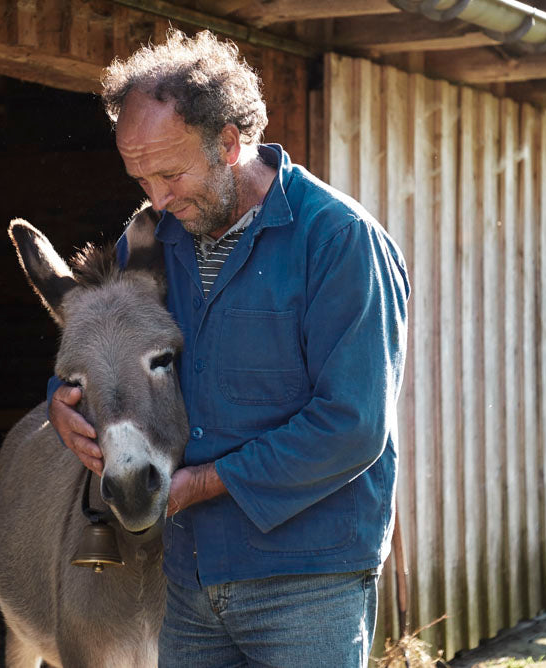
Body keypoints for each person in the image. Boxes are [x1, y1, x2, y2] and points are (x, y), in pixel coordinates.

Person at [49, 30, 410, 666]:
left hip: (307, 582)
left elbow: (352, 426)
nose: (156, 198)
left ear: (230, 142)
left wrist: (204, 483)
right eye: (140, 177)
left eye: (169, 172)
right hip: (188, 579)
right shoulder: (162, 239)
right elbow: (101, 332)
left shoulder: (337, 241)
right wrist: (63, 403)